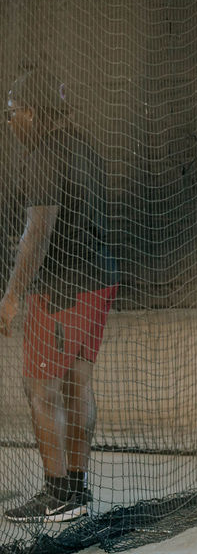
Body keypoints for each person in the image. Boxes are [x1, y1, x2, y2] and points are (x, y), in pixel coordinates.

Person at [1, 68, 118, 523]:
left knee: (39, 388)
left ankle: (56, 495)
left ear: (32, 113)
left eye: (11, 113)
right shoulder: (84, 144)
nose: (9, 122)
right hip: (99, 280)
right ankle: (75, 490)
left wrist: (12, 297)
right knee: (76, 385)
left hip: (62, 288)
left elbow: (38, 231)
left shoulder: (45, 153)